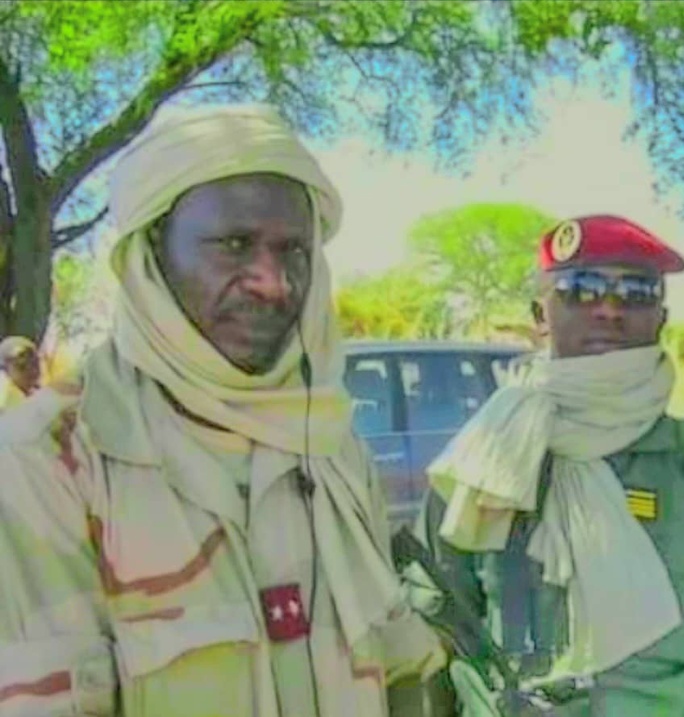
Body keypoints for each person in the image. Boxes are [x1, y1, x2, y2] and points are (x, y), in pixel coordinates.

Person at [0, 103, 446, 717]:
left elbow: (401, 669)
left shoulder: (332, 447)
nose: (273, 282)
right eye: (234, 245)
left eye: (293, 250)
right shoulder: (46, 463)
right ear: (152, 252)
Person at [417, 214, 684, 716]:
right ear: (540, 314)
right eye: (580, 288)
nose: (609, 308)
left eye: (636, 292)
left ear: (661, 317)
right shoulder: (482, 463)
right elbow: (431, 646)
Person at [0, 335, 42, 410]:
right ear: (6, 368)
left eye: (35, 363)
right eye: (22, 365)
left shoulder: (36, 393)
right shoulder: (5, 393)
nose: (30, 370)